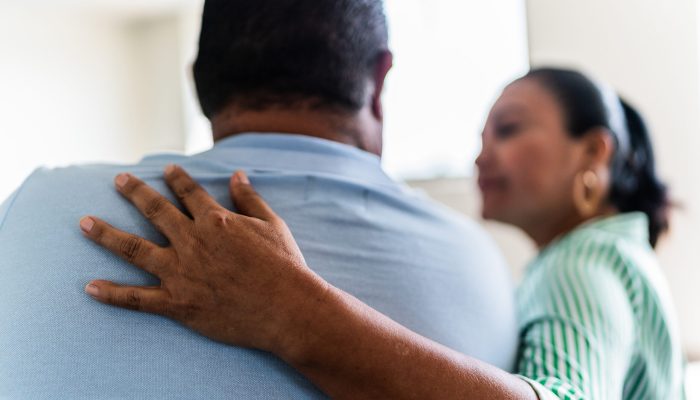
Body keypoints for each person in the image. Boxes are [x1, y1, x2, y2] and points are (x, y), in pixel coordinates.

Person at [0, 0, 519, 398]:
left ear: (200, 83)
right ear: (379, 81)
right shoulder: (483, 265)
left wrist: (289, 312)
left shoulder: (34, 208)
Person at [82, 68, 686, 399]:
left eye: (508, 130)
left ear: (594, 152)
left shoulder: (581, 267)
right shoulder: (616, 259)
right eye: (479, 138)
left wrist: (285, 309)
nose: (482, 157)